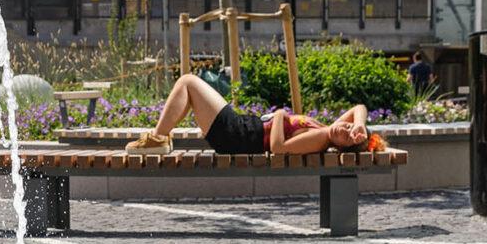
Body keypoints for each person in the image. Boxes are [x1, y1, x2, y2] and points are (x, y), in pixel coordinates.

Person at [124, 74, 385, 156]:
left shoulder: (321, 137)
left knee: (189, 83)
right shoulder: (330, 130)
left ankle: (158, 138)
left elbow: (280, 148)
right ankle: (160, 138)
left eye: (348, 137)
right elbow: (358, 108)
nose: (345, 130)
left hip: (237, 136)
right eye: (349, 128)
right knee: (189, 84)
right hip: (241, 128)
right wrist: (359, 126)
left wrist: (281, 115)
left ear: (341, 147)